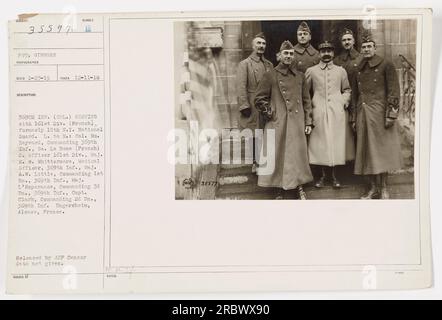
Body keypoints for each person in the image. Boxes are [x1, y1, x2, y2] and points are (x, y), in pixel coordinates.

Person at [254, 40, 314, 199]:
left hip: (296, 122)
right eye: (285, 53)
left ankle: (299, 186)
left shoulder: (300, 76)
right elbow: (259, 98)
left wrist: (308, 121)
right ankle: (278, 189)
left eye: (291, 53)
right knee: (278, 155)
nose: (288, 56)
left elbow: (307, 101)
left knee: (297, 156)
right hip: (278, 122)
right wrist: (270, 112)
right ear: (279, 56)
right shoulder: (270, 75)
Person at [352, 34, 402, 199]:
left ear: (375, 47)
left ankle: (384, 188)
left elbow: (394, 91)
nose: (366, 49)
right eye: (364, 47)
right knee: (367, 153)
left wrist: (391, 115)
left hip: (380, 114)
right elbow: (355, 95)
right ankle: (373, 188)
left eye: (369, 46)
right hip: (363, 114)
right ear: (361, 49)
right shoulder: (358, 68)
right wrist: (354, 116)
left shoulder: (386, 64)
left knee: (382, 152)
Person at [305, 41, 353, 188]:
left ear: (333, 53)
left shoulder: (341, 71)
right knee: (320, 145)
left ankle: (335, 177)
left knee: (335, 144)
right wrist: (311, 107)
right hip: (318, 111)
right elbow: (305, 93)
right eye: (323, 51)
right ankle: (322, 177)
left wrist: (342, 101)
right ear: (319, 54)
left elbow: (347, 89)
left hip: (337, 112)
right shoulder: (311, 71)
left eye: (329, 51)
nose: (326, 54)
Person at [236, 32, 273, 171]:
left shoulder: (269, 64)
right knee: (254, 133)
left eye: (263, 44)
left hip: (267, 103)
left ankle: (265, 160)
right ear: (253, 45)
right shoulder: (245, 64)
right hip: (252, 103)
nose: (261, 46)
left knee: (266, 131)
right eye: (258, 43)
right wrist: (244, 105)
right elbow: (240, 86)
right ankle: (255, 162)